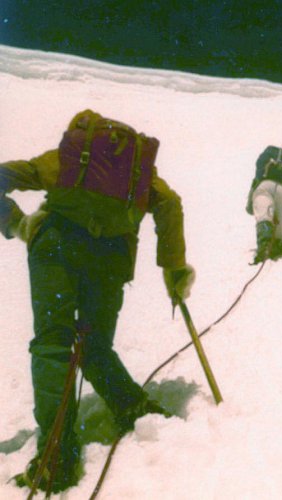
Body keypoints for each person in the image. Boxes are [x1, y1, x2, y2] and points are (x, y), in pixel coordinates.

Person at [0, 110, 195, 493]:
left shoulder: (66, 159)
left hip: (56, 249)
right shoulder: (137, 174)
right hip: (110, 258)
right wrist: (174, 270)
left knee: (53, 344)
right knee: (95, 346)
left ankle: (56, 455)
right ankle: (132, 406)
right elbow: (169, 203)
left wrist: (18, 224)